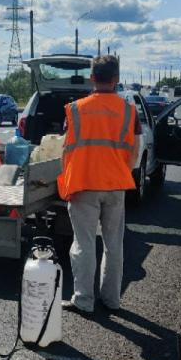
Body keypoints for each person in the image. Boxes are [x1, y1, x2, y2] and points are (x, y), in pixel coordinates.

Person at [58, 55, 141, 315]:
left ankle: (84, 300)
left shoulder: (75, 109)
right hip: (116, 186)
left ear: (92, 78)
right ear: (116, 79)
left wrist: (66, 179)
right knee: (113, 245)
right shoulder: (129, 111)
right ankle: (111, 300)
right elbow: (135, 151)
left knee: (83, 244)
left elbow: (64, 149)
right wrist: (122, 173)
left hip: (83, 185)